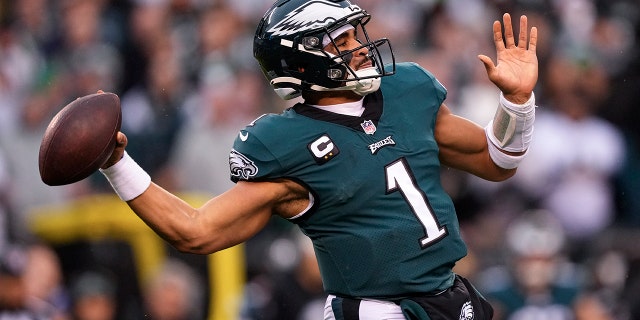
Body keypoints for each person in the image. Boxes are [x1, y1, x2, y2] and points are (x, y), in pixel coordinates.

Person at [98, 0, 538, 318]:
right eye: (340, 41)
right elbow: (194, 231)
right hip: (375, 312)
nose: (360, 46)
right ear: (302, 62)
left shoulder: (406, 92)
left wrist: (517, 103)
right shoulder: (287, 144)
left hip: (448, 297)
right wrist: (116, 163)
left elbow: (497, 161)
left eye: (354, 34)